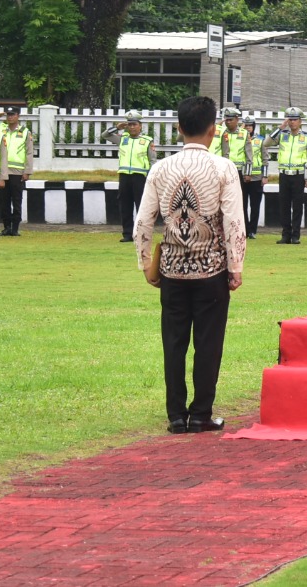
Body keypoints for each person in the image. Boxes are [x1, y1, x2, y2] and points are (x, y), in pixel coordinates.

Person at [133, 95, 246, 434]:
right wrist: (236, 266)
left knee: (174, 342)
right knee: (208, 344)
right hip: (211, 270)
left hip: (171, 270)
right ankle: (200, 414)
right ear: (214, 130)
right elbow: (234, 223)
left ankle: (175, 416)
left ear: (179, 128)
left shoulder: (160, 168)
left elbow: (143, 222)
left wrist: (145, 263)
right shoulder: (223, 168)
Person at [104, 114, 159, 243]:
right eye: (130, 124)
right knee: (125, 206)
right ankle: (127, 234)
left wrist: (151, 178)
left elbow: (153, 160)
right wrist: (116, 128)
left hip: (140, 177)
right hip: (124, 176)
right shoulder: (123, 139)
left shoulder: (147, 140)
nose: (132, 127)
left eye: (134, 124)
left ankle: (141, 233)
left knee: (141, 206)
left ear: (140, 126)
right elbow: (105, 136)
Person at [269, 108, 307, 245]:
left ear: (300, 121)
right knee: (284, 206)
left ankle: (296, 235)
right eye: (290, 119)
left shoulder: (306, 137)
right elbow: (266, 143)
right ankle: (285, 235)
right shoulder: (282, 135)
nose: (292, 122)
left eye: (295, 119)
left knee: (297, 207)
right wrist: (279, 128)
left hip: (298, 175)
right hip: (284, 175)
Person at [0, 108, 33, 236]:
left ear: (18, 116)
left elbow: (29, 152)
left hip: (17, 172)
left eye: (12, 115)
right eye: (8, 115)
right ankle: (6, 227)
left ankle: (15, 228)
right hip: (3, 172)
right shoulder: (1, 130)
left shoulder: (25, 132)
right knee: (4, 201)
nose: (10, 117)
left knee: (16, 200)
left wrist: (27, 171)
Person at [237, 115, 265, 239]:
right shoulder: (239, 139)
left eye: (250, 126)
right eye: (246, 125)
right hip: (243, 176)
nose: (248, 128)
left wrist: (264, 176)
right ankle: (245, 229)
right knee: (242, 204)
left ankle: (253, 230)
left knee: (255, 205)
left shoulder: (260, 140)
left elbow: (265, 158)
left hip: (256, 177)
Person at [208, 107, 248, 183]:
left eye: (231, 120)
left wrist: (248, 172)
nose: (228, 122)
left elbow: (249, 155)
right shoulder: (220, 131)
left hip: (238, 170)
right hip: (222, 169)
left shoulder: (244, 133)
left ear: (237, 119)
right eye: (227, 120)